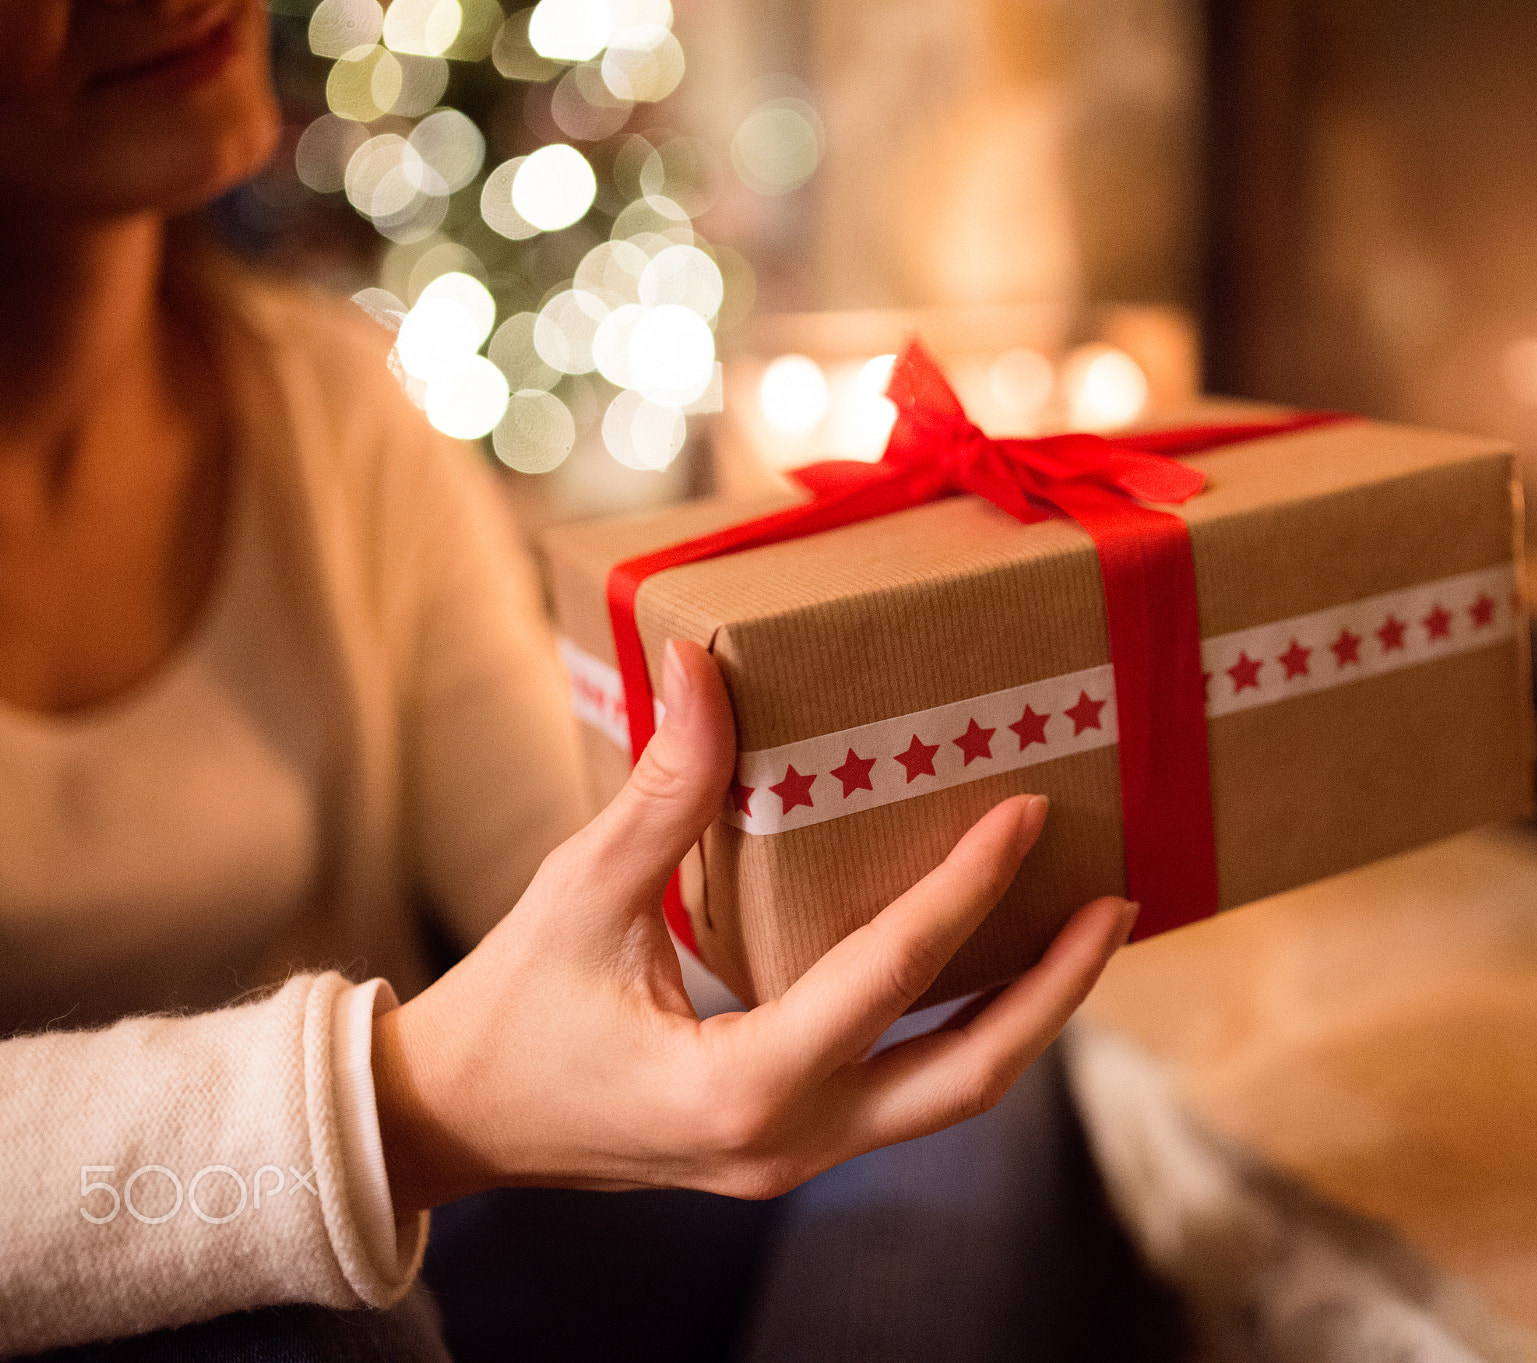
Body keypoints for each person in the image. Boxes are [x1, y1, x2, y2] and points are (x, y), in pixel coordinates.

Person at [0, 1, 1136, 1354]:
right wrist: (395, 1107)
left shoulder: (333, 406)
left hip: (418, 1219)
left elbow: (568, 877)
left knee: (958, 1043)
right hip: (294, 1249)